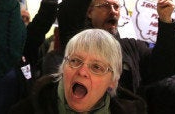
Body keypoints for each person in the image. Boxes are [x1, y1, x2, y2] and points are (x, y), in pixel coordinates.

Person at [57, 0, 175, 95]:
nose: (113, 11)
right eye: (105, 5)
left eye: (116, 7)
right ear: (89, 12)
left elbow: (166, 66)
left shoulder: (132, 48)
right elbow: (69, 8)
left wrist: (166, 19)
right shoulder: (79, 41)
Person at [9, 28, 147, 113]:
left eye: (96, 67)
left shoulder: (133, 111)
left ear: (113, 80)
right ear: (63, 67)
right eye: (75, 61)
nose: (82, 71)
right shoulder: (26, 110)